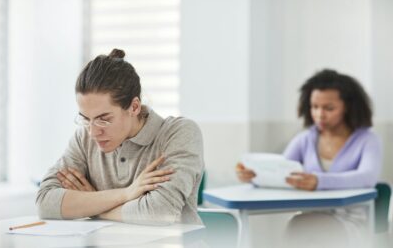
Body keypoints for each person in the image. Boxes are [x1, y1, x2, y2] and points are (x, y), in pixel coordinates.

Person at [36, 49, 205, 225]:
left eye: (104, 119)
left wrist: (94, 206)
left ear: (134, 107)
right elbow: (45, 203)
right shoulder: (84, 138)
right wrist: (126, 193)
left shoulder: (179, 133)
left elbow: (160, 213)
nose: (93, 132)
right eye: (86, 119)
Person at [236, 69, 382, 191]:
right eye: (315, 107)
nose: (320, 115)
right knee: (300, 223)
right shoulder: (304, 139)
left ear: (348, 107)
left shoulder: (367, 140)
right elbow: (281, 173)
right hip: (310, 213)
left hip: (352, 218)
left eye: (329, 108)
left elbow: (367, 177)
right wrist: (254, 176)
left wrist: (319, 181)